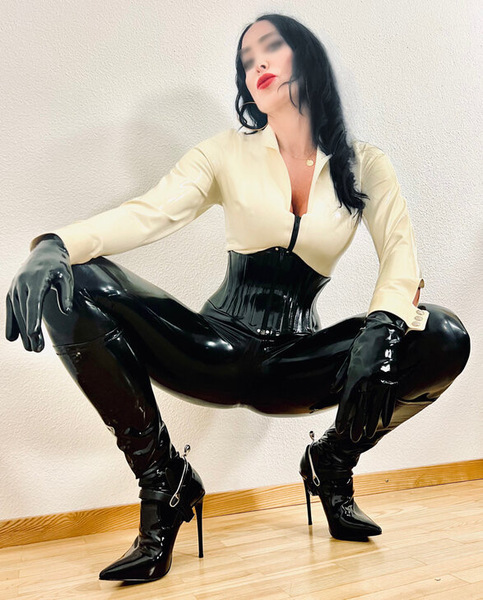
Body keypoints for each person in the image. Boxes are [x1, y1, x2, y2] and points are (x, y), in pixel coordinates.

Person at [5, 13, 470, 584]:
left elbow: (400, 253)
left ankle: (332, 463)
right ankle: (165, 483)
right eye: (247, 61)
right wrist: (55, 244)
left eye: (271, 47)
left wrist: (384, 328)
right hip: (215, 349)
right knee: (73, 278)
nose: (258, 65)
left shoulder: (364, 165)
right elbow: (149, 213)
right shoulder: (226, 153)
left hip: (298, 364)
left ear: (307, 57)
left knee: (442, 334)